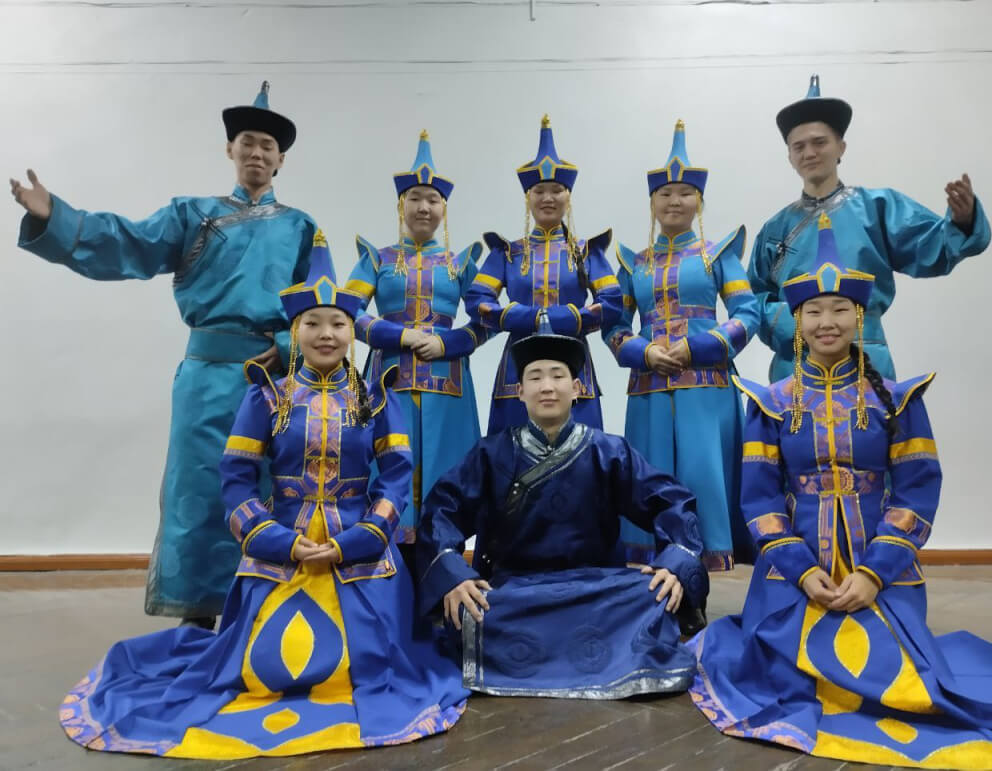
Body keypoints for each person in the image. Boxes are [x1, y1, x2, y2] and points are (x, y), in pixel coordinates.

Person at [59, 233, 468, 758]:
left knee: (365, 662)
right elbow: (236, 478)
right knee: (264, 665)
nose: (326, 334)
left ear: (353, 332)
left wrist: (367, 534)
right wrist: (273, 538)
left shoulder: (376, 396)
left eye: (338, 323)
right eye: (313, 323)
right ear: (295, 331)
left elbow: (395, 475)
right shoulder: (266, 396)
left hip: (361, 554)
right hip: (280, 551)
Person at [688, 213, 992, 769]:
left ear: (859, 315)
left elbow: (917, 494)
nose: (827, 322)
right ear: (796, 321)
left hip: (880, 567)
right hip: (793, 572)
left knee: (898, 673)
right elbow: (759, 500)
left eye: (840, 309)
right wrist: (801, 570)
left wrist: (873, 574)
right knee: (785, 667)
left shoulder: (898, 400)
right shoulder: (770, 403)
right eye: (813, 311)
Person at [9, 82, 318, 627]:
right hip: (205, 379)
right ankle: (197, 613)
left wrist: (288, 346)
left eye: (268, 146)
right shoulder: (193, 215)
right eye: (247, 142)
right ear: (230, 149)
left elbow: (320, 307)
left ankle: (264, 606)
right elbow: (128, 241)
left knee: (273, 486)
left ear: (281, 160)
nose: (257, 152)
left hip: (274, 384)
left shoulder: (301, 228)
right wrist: (54, 216)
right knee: (199, 487)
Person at [415, 311, 709, 698]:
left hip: (598, 590)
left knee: (649, 593)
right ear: (519, 391)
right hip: (515, 592)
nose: (547, 387)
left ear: (577, 388)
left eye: (557, 376)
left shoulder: (609, 451)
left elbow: (671, 501)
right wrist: (455, 574)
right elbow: (441, 511)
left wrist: (674, 562)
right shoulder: (491, 453)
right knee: (476, 606)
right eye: (535, 377)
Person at [747, 74, 991, 382]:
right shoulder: (775, 229)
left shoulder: (878, 208)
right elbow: (752, 297)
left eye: (820, 142)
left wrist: (962, 222)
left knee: (872, 416)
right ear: (790, 157)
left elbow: (933, 246)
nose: (809, 153)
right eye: (799, 146)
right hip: (796, 364)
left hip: (865, 360)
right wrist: (794, 325)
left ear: (841, 147)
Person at [605, 120, 759, 571]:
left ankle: (706, 565)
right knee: (650, 476)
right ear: (652, 203)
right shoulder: (633, 264)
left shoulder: (718, 255)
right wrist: (644, 352)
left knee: (703, 473)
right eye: (665, 194)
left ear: (699, 202)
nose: (675, 201)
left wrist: (699, 347)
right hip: (649, 386)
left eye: (685, 193)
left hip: (707, 387)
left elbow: (748, 313)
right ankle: (654, 570)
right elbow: (614, 326)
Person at [344, 130, 489, 551]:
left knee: (448, 470)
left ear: (444, 208)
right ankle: (385, 561)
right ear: (400, 205)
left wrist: (448, 343)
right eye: (415, 198)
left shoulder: (461, 264)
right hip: (389, 382)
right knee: (387, 466)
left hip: (448, 384)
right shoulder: (376, 259)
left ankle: (444, 561)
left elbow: (487, 320)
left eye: (433, 200)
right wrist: (401, 334)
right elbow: (348, 313)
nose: (424, 207)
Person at [465, 115, 622, 434]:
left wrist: (566, 318)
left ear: (568, 197)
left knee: (581, 451)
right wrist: (523, 317)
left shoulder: (587, 252)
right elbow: (477, 301)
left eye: (556, 190)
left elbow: (612, 303)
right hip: (517, 368)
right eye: (539, 191)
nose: (548, 198)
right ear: (528, 197)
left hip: (575, 366)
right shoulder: (507, 253)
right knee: (510, 451)